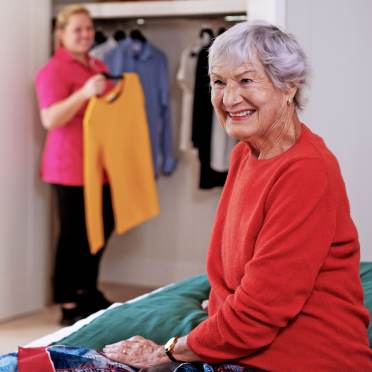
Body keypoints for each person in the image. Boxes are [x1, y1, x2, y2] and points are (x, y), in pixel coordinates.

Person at [101, 21, 372, 370]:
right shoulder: (245, 153)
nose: (229, 99)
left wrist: (167, 351)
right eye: (218, 82)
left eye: (246, 80)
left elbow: (261, 311)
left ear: (288, 86)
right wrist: (221, 307)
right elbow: (239, 270)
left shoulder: (306, 170)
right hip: (249, 348)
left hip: (307, 359)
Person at [35, 5, 115, 326]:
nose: (85, 34)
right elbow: (50, 118)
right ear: (61, 35)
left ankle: (87, 290)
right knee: (73, 236)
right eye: (77, 29)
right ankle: (69, 303)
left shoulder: (98, 65)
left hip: (100, 166)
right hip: (68, 166)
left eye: (89, 28)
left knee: (101, 227)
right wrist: (84, 93)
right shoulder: (54, 70)